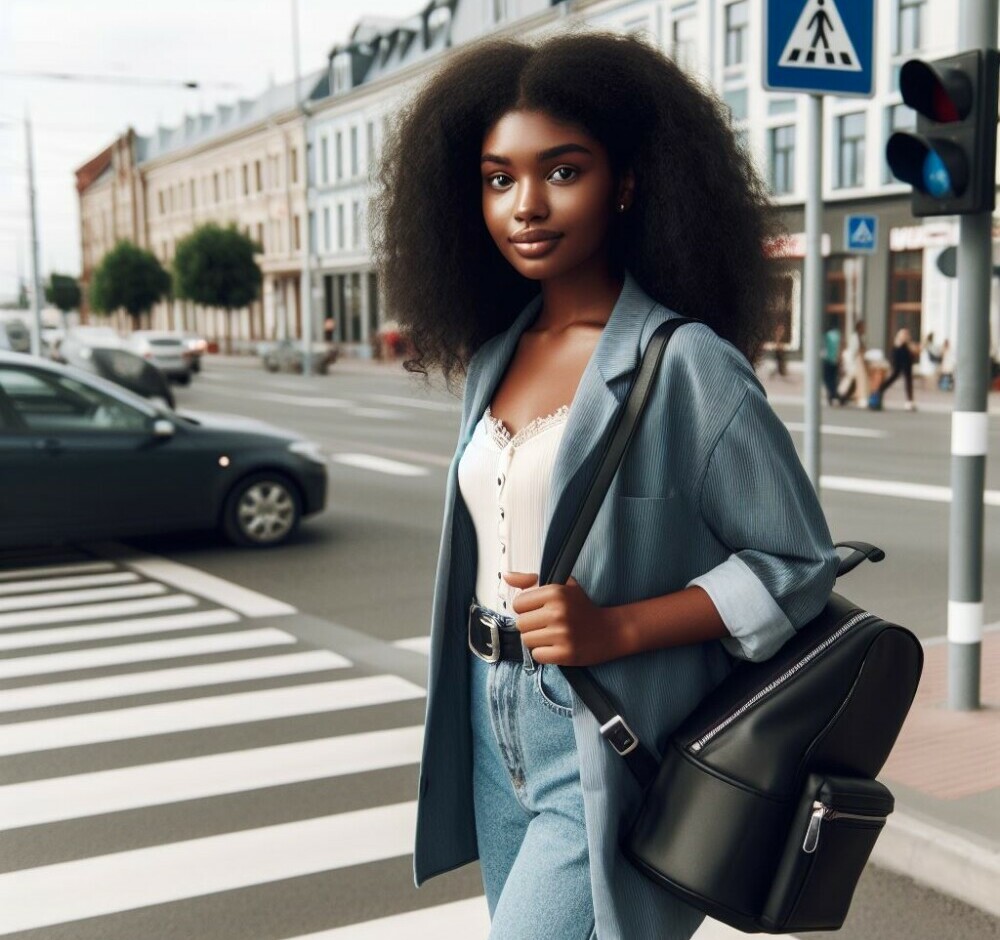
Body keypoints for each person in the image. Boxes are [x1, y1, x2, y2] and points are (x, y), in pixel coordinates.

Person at [370, 30, 839, 940]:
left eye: (562, 171)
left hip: (596, 724)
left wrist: (618, 625)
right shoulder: (495, 358)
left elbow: (797, 562)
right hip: (486, 714)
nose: (526, 206)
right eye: (498, 178)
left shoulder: (685, 364)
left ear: (624, 181)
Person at [874, 327, 918, 410]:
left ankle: (910, 401)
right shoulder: (898, 344)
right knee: (893, 378)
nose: (907, 336)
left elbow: (913, 351)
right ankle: (879, 391)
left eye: (907, 334)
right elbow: (895, 355)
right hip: (899, 364)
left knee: (908, 382)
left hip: (907, 364)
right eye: (905, 334)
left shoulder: (907, 345)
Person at [838, 319, 869, 406]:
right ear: (859, 327)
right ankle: (841, 396)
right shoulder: (854, 338)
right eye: (863, 327)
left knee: (853, 381)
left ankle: (844, 397)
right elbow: (854, 351)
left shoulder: (859, 338)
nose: (865, 329)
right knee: (849, 380)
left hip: (857, 363)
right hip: (853, 362)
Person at [822, 316, 842, 405]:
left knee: (827, 378)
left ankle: (831, 394)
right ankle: (834, 393)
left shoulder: (827, 335)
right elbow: (840, 347)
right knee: (834, 378)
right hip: (835, 360)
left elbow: (824, 347)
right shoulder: (838, 335)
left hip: (828, 359)